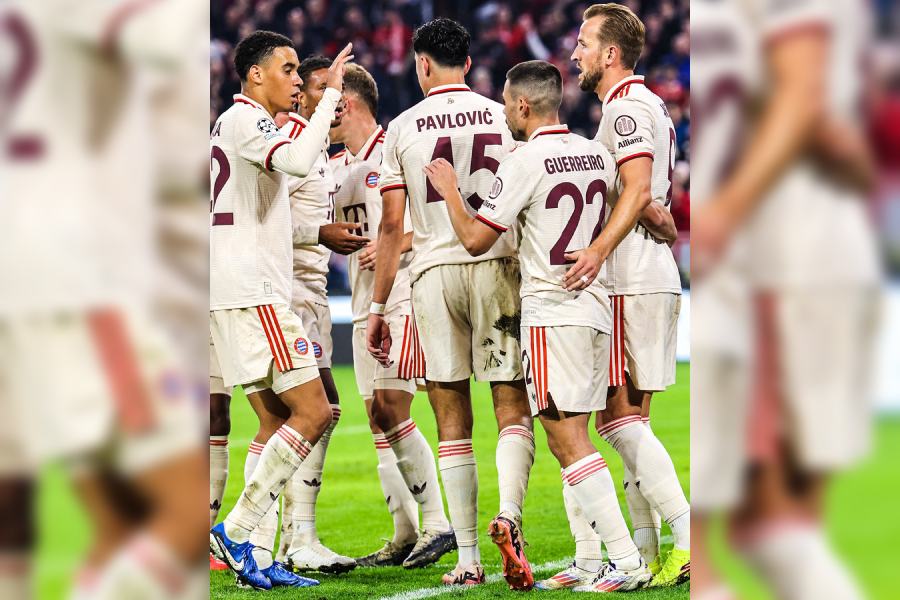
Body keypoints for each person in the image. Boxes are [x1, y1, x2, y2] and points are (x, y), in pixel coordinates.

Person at [425, 59, 654, 593]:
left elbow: (478, 240)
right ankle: (593, 561)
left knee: (566, 437)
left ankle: (626, 561)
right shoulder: (597, 154)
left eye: (506, 104)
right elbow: (620, 210)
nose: (505, 112)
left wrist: (452, 192)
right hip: (595, 308)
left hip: (553, 311)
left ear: (523, 106)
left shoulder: (525, 160)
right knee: (574, 434)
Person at [691, 0, 880, 598]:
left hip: (789, 255)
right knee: (770, 515)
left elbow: (807, 105)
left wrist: (726, 208)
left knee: (770, 515)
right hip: (782, 256)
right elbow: (821, 121)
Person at [368, 18, 536, 588]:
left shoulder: (403, 128)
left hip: (435, 273)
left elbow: (392, 226)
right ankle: (509, 516)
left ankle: (468, 560)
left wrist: (375, 308)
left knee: (451, 420)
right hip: (498, 263)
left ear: (421, 65)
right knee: (511, 408)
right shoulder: (505, 112)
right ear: (467, 62)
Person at [546, 3, 690, 589]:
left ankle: (682, 538)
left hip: (629, 278)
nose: (574, 52)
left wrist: (600, 249)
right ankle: (650, 553)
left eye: (583, 43)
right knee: (628, 423)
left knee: (615, 421)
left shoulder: (627, 109)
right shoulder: (644, 104)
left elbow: (635, 189)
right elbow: (654, 204)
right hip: (646, 270)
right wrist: (652, 215)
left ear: (610, 54)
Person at [207, 30, 354, 590]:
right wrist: (331, 96)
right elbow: (295, 160)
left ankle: (256, 558)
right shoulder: (245, 120)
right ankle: (239, 529)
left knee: (274, 420)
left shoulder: (239, 125)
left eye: (300, 71)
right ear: (254, 75)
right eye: (288, 69)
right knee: (314, 412)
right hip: (256, 292)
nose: (298, 80)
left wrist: (316, 231)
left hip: (238, 288)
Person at [328, 63, 455, 568]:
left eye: (331, 106)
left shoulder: (395, 149)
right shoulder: (338, 167)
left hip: (399, 296)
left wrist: (392, 244)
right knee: (377, 416)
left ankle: (438, 523)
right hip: (363, 303)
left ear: (350, 104)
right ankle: (404, 532)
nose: (325, 116)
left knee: (392, 406)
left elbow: (437, 221)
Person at [267, 54, 370, 576]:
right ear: (303, 93)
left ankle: (288, 538)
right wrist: (319, 235)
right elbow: (259, 224)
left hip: (309, 291)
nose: (332, 96)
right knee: (315, 410)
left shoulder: (320, 155)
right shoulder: (286, 142)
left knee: (315, 412)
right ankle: (289, 538)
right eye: (321, 86)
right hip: (286, 290)